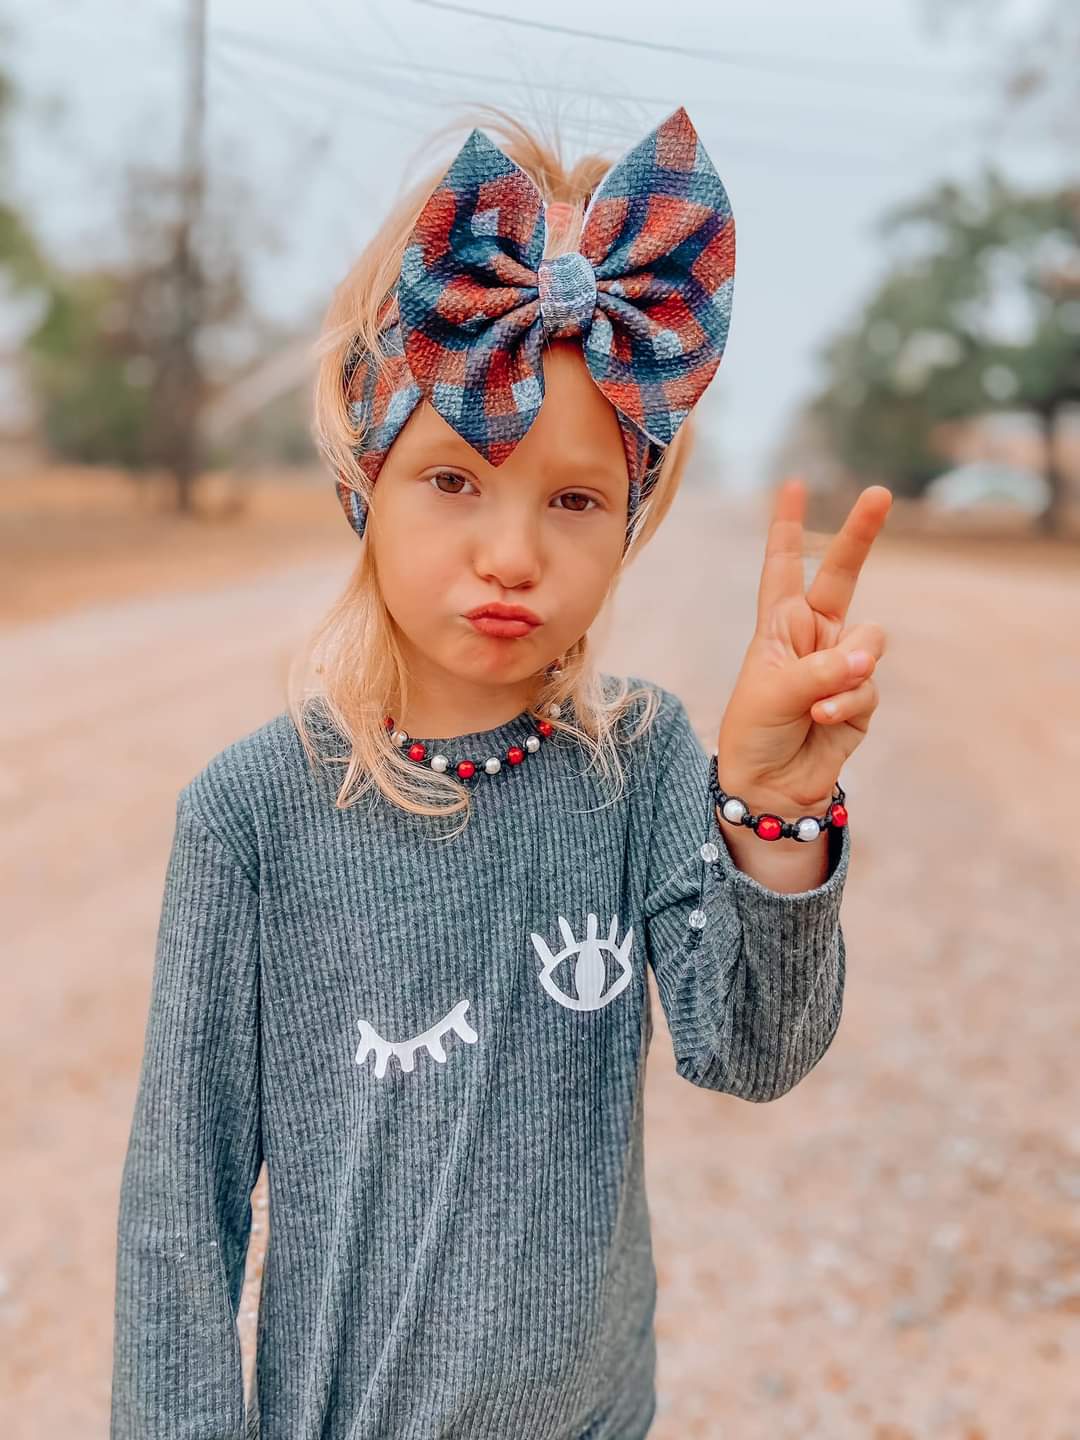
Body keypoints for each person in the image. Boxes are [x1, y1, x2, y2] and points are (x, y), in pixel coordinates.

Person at [109, 104, 891, 1440]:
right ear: (368, 474)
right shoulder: (252, 818)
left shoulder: (638, 767)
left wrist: (777, 808)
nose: (513, 552)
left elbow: (750, 1050)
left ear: (631, 522)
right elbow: (179, 1217)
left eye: (575, 499)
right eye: (456, 480)